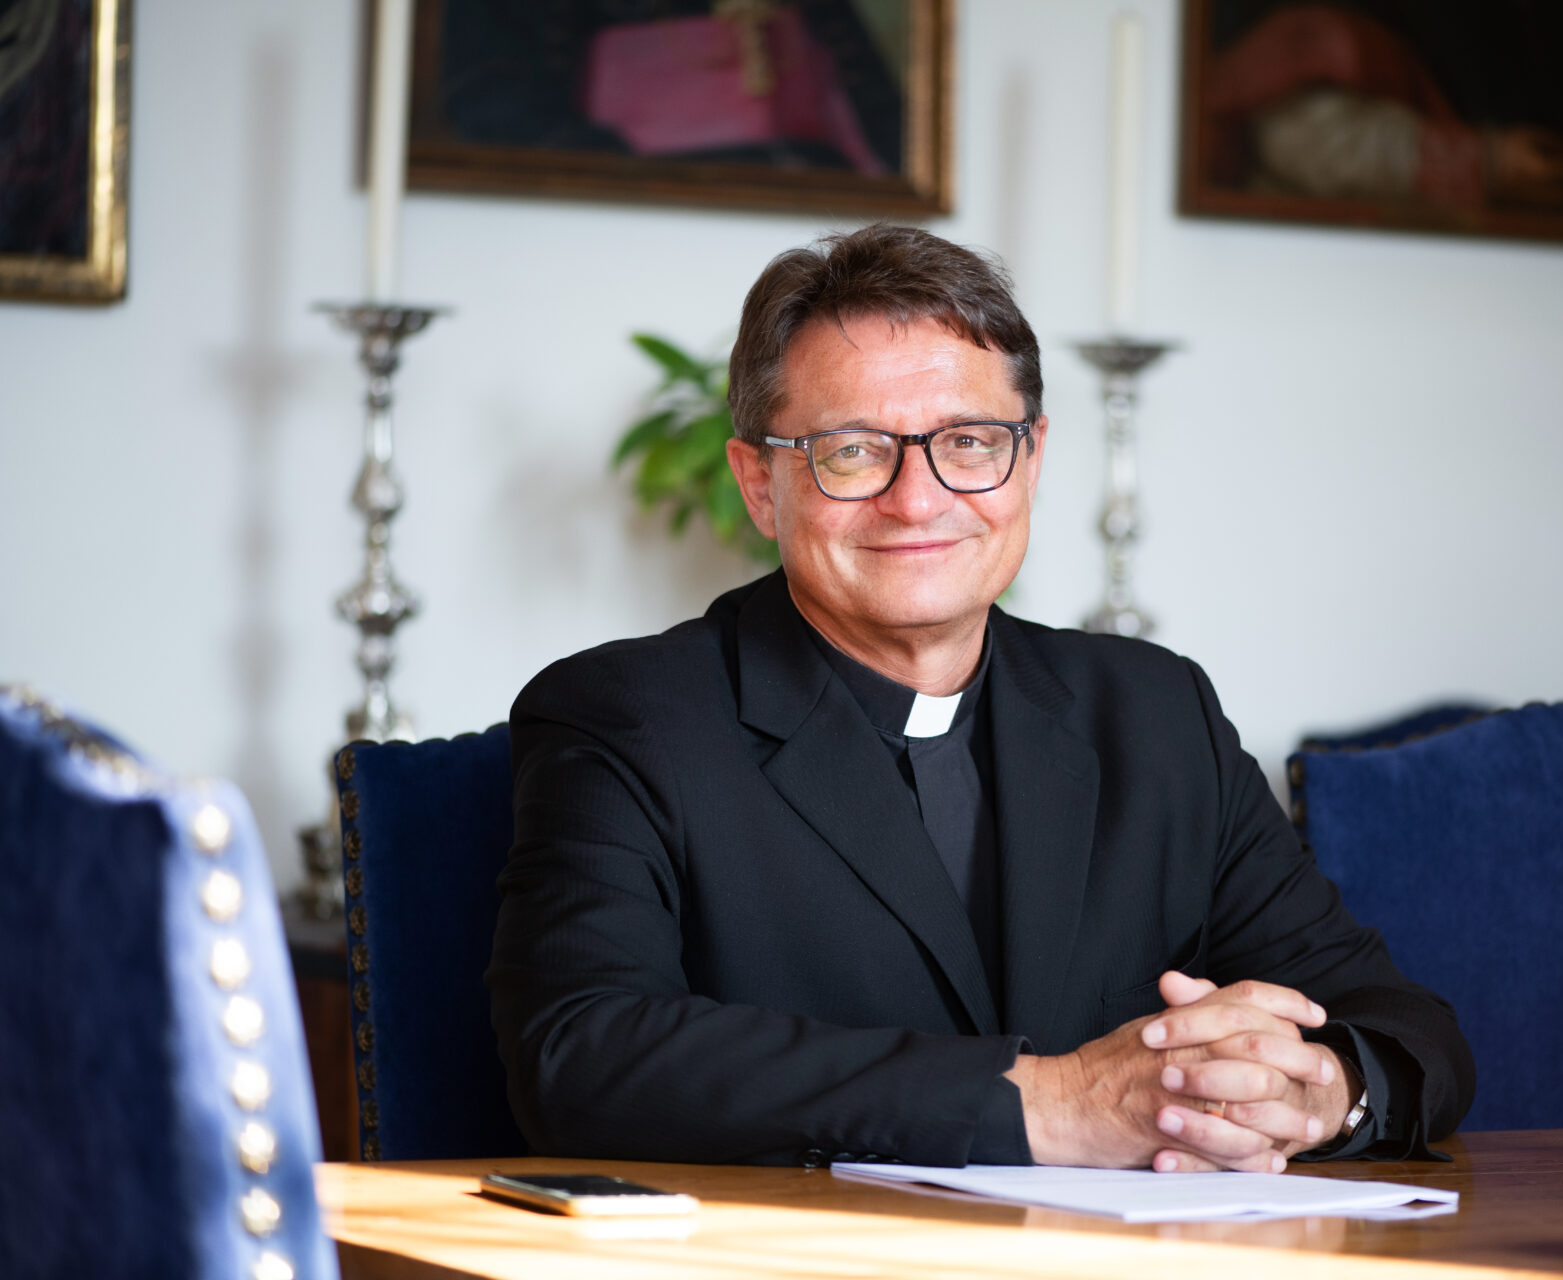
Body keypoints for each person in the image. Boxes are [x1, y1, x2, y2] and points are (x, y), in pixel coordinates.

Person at [488, 224, 1474, 1172]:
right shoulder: (630, 717)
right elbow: (581, 1053)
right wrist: (1053, 1101)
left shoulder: (1153, 713)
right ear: (758, 483)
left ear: (1031, 458)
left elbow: (1404, 1028)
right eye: (852, 449)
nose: (917, 499)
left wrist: (1322, 1093)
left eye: (968, 441)